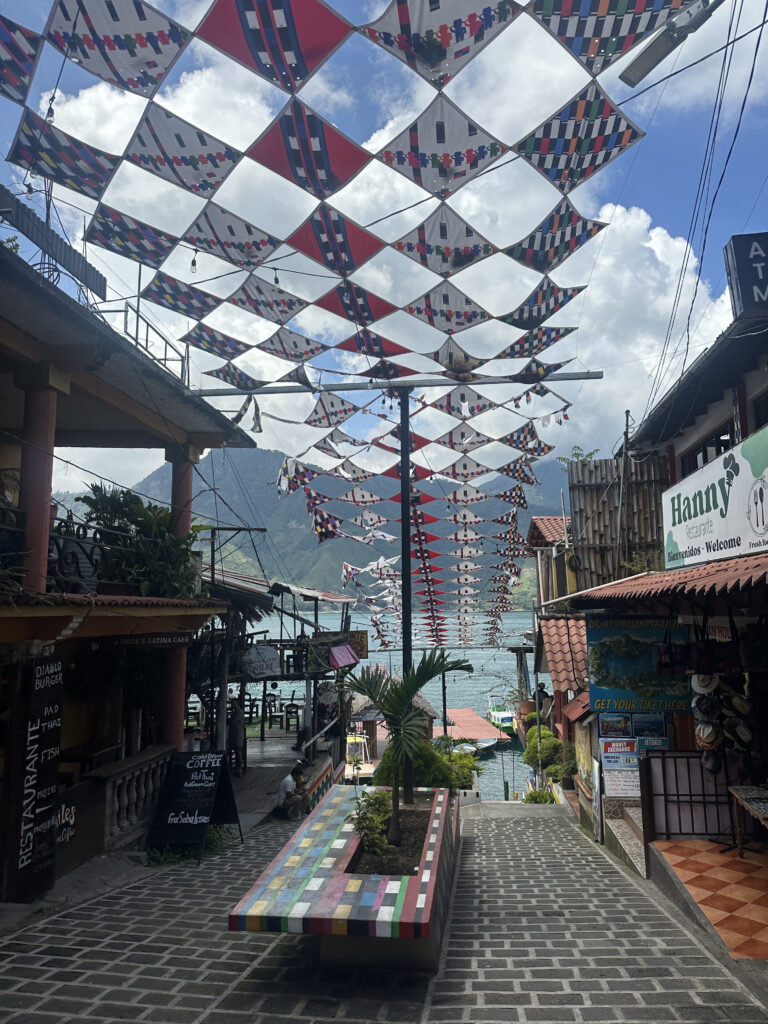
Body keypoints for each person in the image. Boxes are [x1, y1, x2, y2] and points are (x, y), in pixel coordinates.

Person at [228, 697, 245, 777]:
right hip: (234, 733)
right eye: (231, 703)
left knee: (238, 751)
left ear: (237, 703)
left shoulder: (239, 712)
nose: (232, 704)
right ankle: (236, 768)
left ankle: (239, 768)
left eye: (233, 703)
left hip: (238, 734)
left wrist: (229, 719)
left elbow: (233, 721)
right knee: (236, 750)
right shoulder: (235, 712)